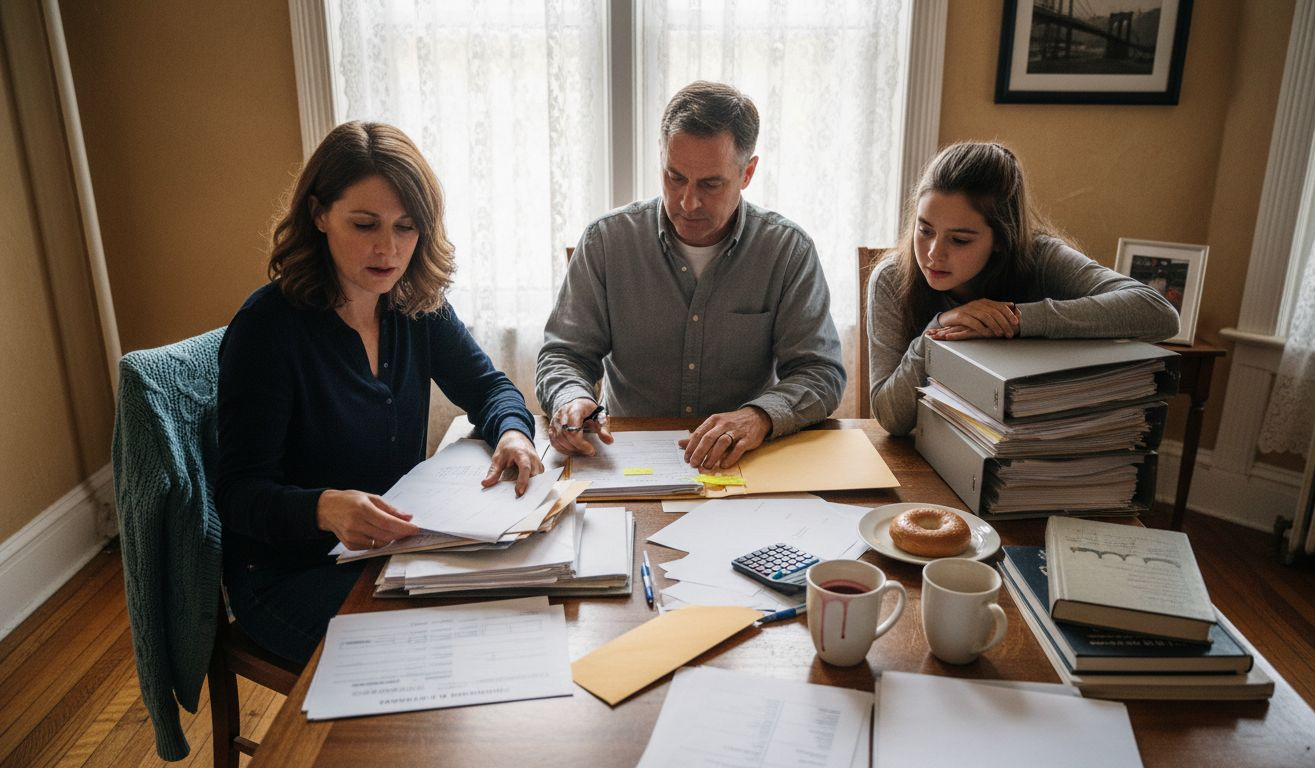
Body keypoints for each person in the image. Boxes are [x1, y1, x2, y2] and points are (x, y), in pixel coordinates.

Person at [215, 121, 542, 664]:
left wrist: (513, 433)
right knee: (447, 655)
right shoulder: (267, 330)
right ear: (319, 214)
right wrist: (323, 508)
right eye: (365, 224)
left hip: (393, 552)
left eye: (406, 227)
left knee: (516, 609)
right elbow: (237, 494)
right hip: (292, 574)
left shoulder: (413, 303)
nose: (388, 249)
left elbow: (488, 387)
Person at [536, 80, 845, 470]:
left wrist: (758, 417)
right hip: (627, 459)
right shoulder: (607, 241)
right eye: (675, 177)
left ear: (747, 173)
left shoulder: (787, 251)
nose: (688, 202)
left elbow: (820, 372)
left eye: (710, 184)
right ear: (661, 157)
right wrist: (571, 398)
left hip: (741, 460)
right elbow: (564, 353)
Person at [867, 141, 1180, 436]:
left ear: (1002, 239)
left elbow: (1159, 313)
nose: (934, 253)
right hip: (932, 445)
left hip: (1037, 442)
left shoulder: (1042, 257)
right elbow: (890, 418)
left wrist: (1015, 320)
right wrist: (935, 333)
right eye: (925, 230)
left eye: (959, 240)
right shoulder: (892, 277)